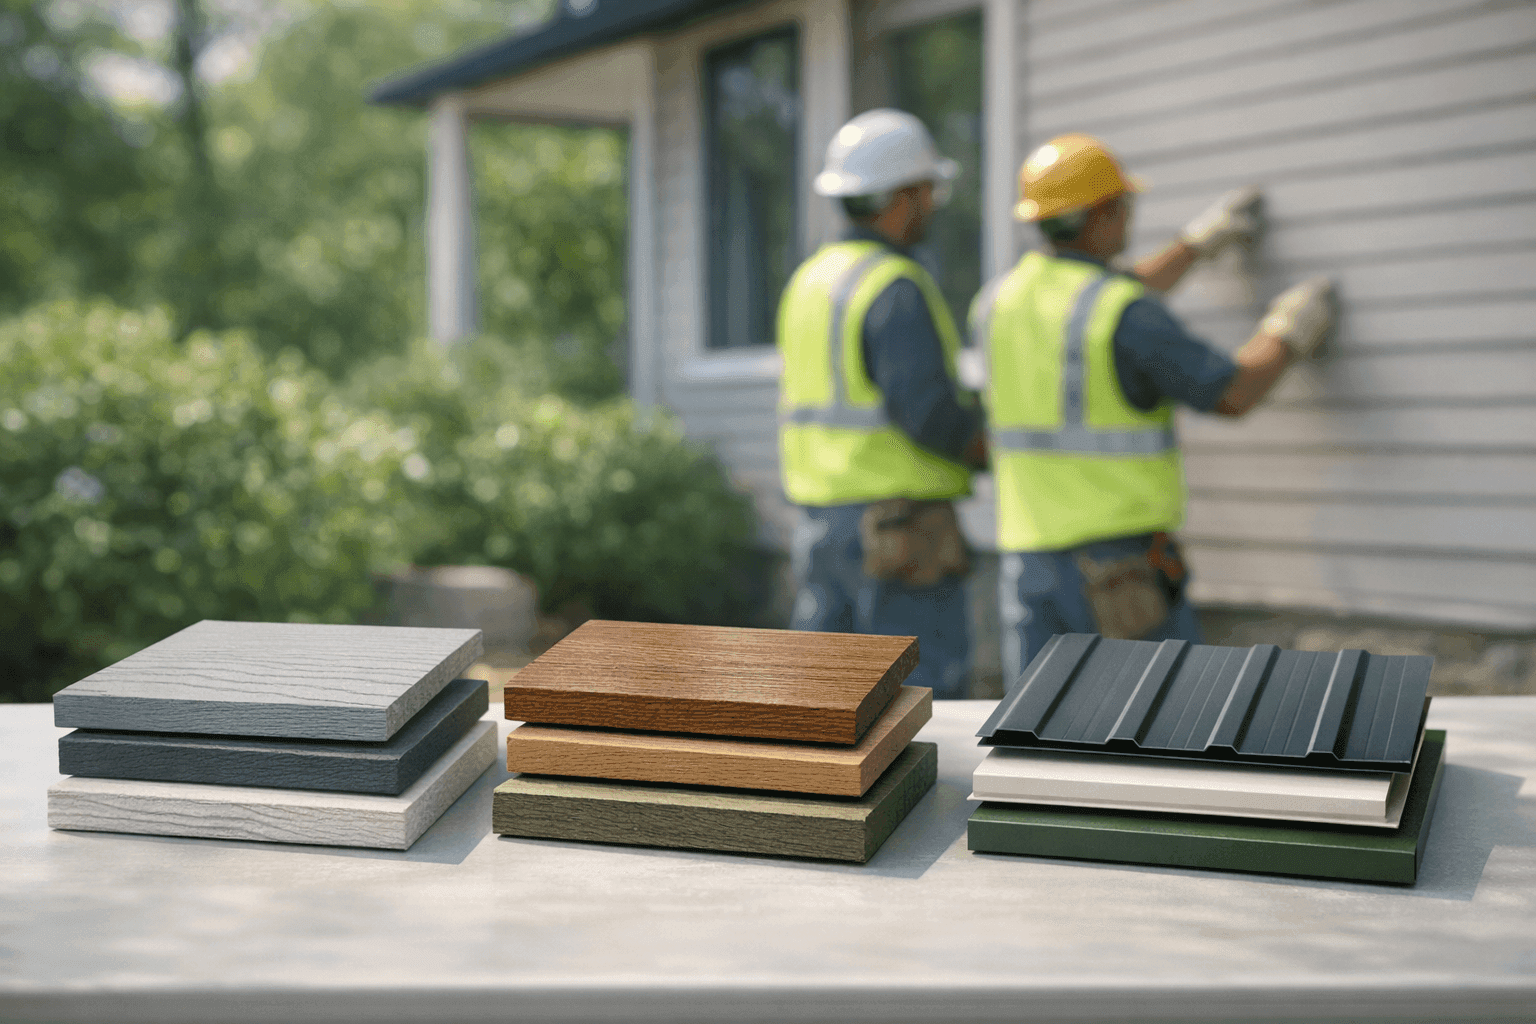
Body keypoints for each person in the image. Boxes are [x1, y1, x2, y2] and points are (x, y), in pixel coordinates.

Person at [974, 132, 1335, 683]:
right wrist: (1288, 328)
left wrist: (1196, 245)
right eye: (1124, 206)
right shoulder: (1126, 311)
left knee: (1038, 738)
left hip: (1029, 567)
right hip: (1118, 576)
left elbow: (1095, 295)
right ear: (1102, 215)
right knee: (1159, 738)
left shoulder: (1000, 301)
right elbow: (1233, 392)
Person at [777, 109, 988, 699]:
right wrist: (994, 447)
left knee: (823, 702)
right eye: (928, 189)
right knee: (920, 704)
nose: (933, 203)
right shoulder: (894, 283)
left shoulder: (810, 280)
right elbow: (926, 413)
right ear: (902, 195)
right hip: (899, 531)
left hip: (823, 526)